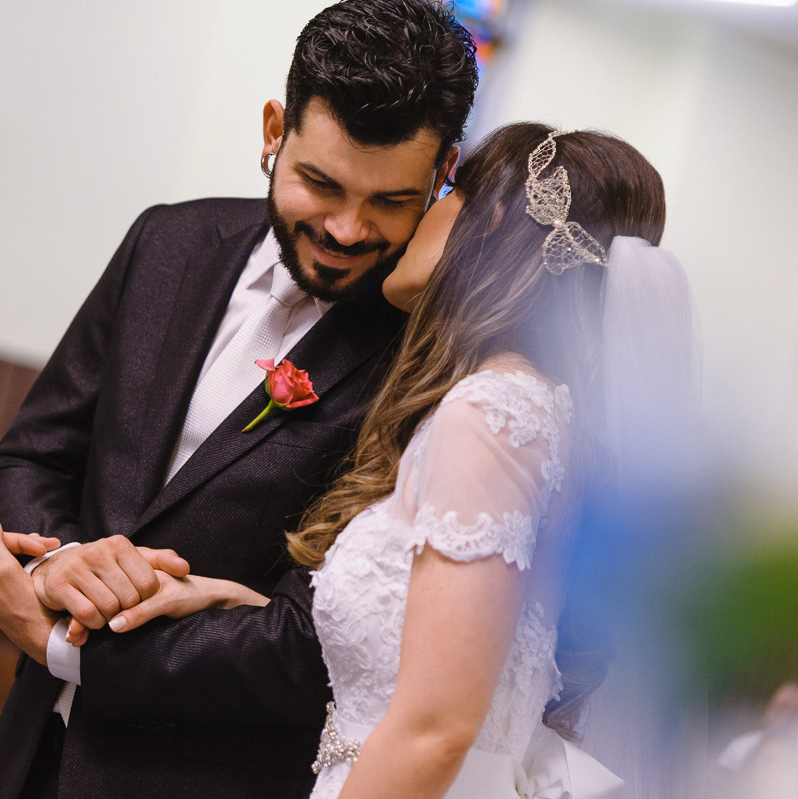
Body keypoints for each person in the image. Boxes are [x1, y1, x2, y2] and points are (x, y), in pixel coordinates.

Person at [0, 2, 479, 798]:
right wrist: (65, 560)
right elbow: (28, 457)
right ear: (276, 129)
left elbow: (318, 642)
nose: (346, 228)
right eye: (320, 182)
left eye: (389, 202)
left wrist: (74, 646)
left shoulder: (425, 361)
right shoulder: (167, 241)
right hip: (31, 749)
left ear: (443, 174)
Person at [104, 122, 698, 797]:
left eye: (448, 191)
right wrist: (225, 597)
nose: (420, 217)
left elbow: (435, 728)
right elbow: (435, 643)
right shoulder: (541, 412)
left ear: (491, 218)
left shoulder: (491, 414)